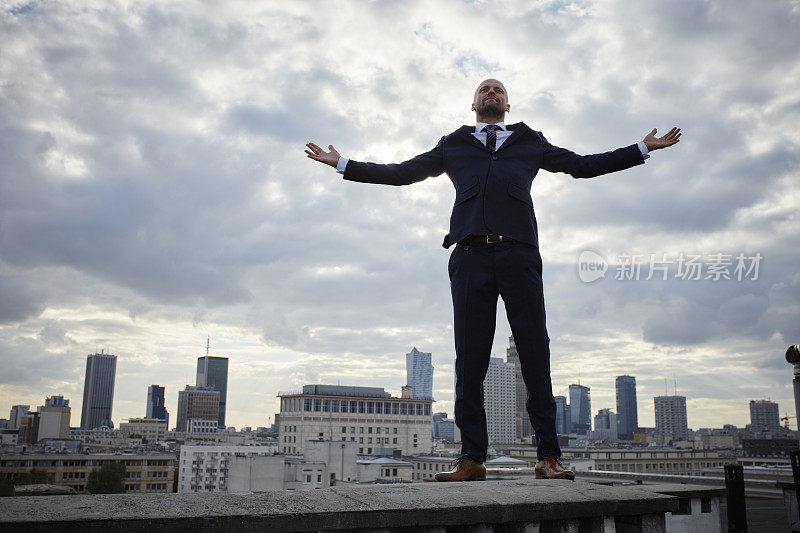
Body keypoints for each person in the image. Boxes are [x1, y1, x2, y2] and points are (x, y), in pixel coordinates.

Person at [305, 79, 680, 482]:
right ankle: (472, 458)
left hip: (519, 254)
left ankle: (548, 457)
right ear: (473, 104)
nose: (491, 93)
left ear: (506, 102)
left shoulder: (528, 140)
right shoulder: (454, 143)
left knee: (536, 356)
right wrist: (343, 163)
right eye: (485, 89)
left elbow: (582, 166)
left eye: (498, 90)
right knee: (470, 360)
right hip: (470, 256)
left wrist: (641, 149)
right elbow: (403, 172)